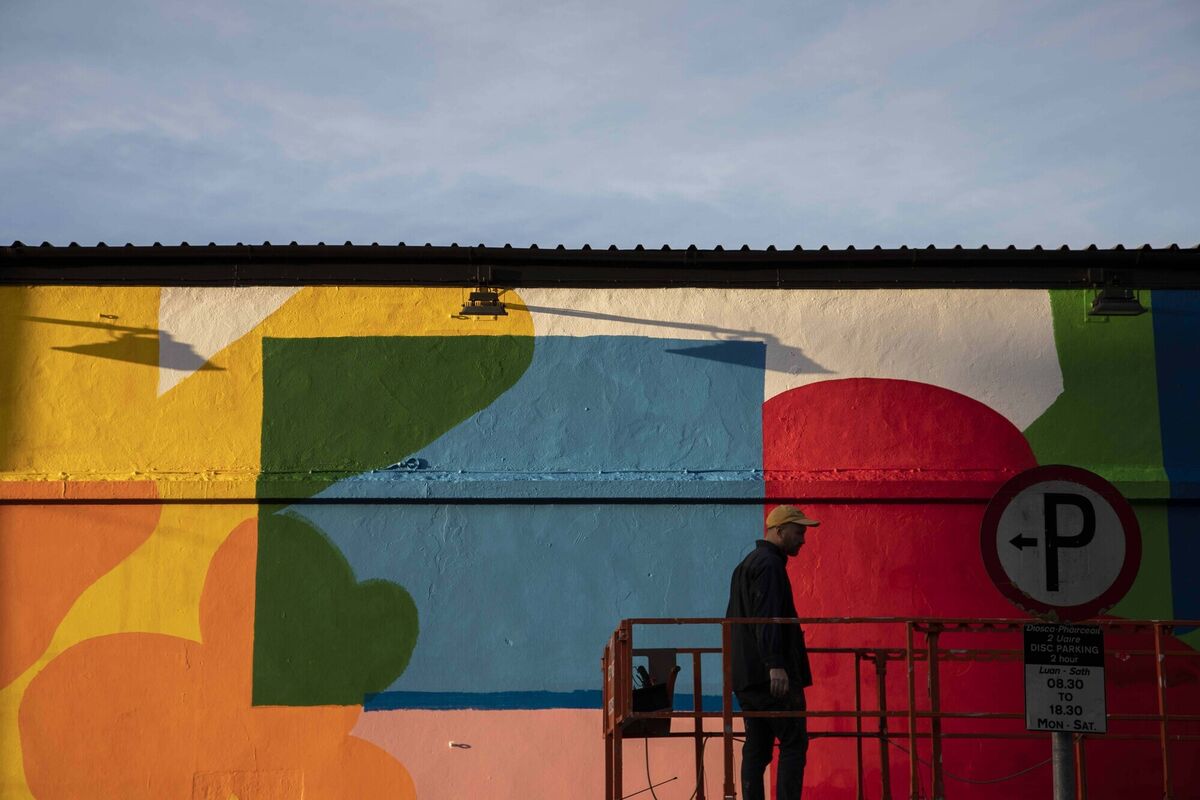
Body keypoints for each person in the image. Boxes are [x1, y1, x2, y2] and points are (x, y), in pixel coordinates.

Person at [725, 504, 819, 800]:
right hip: (770, 676)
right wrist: (775, 664)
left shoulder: (746, 564)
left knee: (757, 746)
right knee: (793, 742)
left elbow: (740, 621)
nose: (803, 539)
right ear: (779, 531)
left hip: (746, 676)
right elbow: (768, 616)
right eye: (798, 532)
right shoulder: (770, 565)